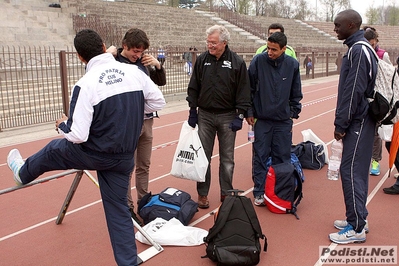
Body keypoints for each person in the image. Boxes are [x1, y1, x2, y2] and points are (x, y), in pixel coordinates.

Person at [6, 29, 166, 265]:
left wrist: (62, 125)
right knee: (119, 211)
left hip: (96, 154)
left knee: (53, 149)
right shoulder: (134, 72)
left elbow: (78, 134)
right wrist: (127, 115)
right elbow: (158, 101)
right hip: (123, 158)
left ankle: (22, 172)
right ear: (104, 46)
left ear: (80, 57)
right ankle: (128, 262)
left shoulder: (85, 84)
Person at [186, 24, 251, 209]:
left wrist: (239, 115)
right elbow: (194, 86)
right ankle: (203, 194)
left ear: (224, 42)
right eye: (208, 42)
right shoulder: (202, 60)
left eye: (213, 42)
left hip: (227, 116)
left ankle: (226, 193)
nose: (210, 45)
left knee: (227, 159)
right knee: (202, 157)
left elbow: (243, 91)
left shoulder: (237, 62)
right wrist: (192, 110)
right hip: (205, 115)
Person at [107, 28, 166, 225]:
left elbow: (161, 83)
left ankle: (144, 201)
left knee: (144, 165)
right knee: (127, 167)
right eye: (135, 51)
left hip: (146, 120)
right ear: (125, 46)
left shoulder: (142, 63)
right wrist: (106, 55)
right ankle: (128, 207)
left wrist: (157, 66)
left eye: (141, 52)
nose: (138, 55)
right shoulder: (114, 62)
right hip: (127, 123)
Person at [329, 9, 377, 244]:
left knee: (350, 172)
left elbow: (353, 91)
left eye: (338, 25)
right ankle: (358, 217)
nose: (335, 29)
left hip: (358, 121)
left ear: (351, 24)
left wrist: (341, 123)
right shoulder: (360, 48)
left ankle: (356, 227)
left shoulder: (358, 50)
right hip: (362, 120)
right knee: (356, 172)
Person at [247, 31, 302, 206]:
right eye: (268, 48)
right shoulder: (258, 61)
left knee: (282, 157)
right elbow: (248, 88)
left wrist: (294, 111)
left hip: (283, 121)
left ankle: (279, 191)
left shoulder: (292, 64)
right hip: (262, 119)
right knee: (260, 156)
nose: (269, 52)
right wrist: (249, 111)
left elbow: (296, 91)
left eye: (274, 49)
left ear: (284, 49)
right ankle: (260, 192)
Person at [363, 26, 392, 176]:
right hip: (362, 97)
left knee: (375, 132)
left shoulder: (382, 54)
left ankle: (375, 160)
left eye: (372, 44)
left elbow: (389, 76)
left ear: (376, 41)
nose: (370, 47)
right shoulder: (359, 52)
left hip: (377, 99)